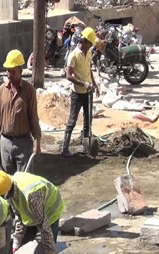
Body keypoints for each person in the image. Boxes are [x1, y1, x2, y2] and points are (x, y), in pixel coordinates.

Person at [0, 49, 41, 175]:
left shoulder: (29, 91)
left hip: (23, 143)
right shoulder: (2, 90)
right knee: (5, 181)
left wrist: (37, 141)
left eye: (13, 71)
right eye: (8, 71)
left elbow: (33, 117)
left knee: (23, 181)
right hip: (5, 142)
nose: (9, 74)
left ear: (21, 71)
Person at [61, 27, 100, 157]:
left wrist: (94, 84)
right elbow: (68, 76)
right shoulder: (73, 55)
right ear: (84, 41)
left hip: (88, 92)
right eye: (90, 43)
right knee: (72, 120)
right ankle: (64, 148)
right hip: (77, 93)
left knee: (88, 120)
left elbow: (89, 70)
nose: (90, 46)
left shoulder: (88, 53)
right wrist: (83, 83)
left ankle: (87, 145)